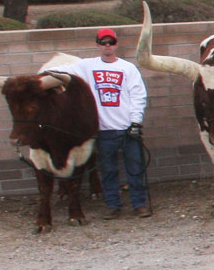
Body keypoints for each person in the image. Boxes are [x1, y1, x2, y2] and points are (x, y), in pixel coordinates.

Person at [45, 28, 151, 220]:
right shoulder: (86, 66)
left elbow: (138, 96)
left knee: (135, 168)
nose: (107, 46)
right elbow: (62, 72)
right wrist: (41, 78)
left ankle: (140, 204)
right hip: (104, 131)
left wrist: (135, 122)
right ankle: (113, 205)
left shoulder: (127, 68)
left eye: (110, 42)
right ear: (97, 45)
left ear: (116, 44)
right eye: (103, 43)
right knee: (108, 170)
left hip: (128, 128)